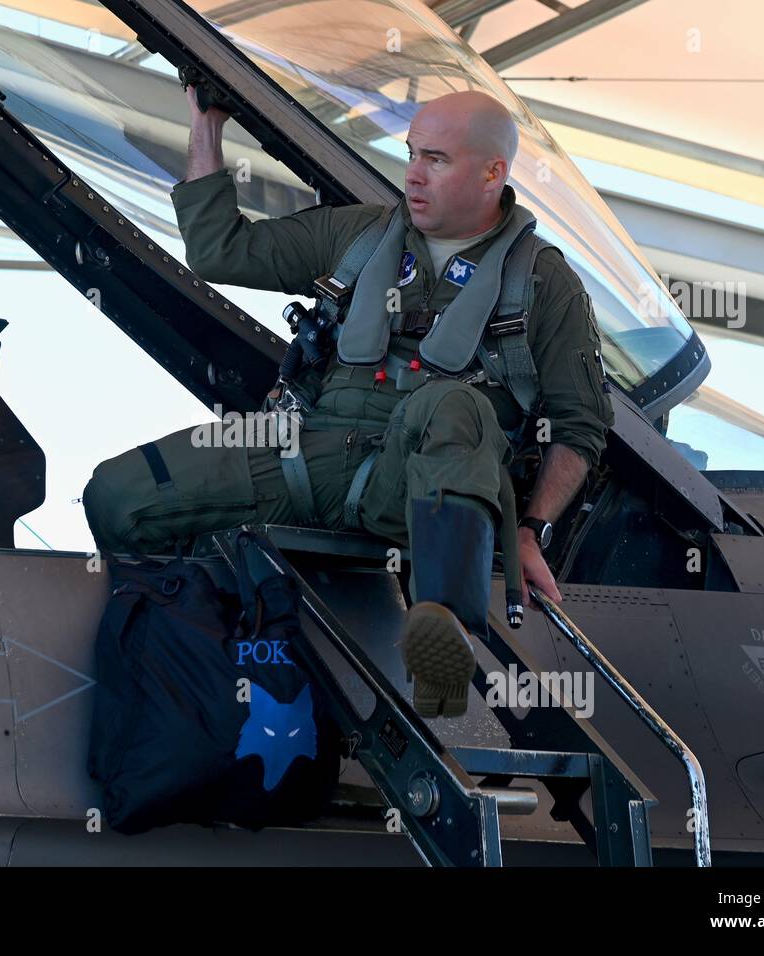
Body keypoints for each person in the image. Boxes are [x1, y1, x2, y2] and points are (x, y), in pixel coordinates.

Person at [83, 87, 613, 718]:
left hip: (417, 483)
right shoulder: (361, 236)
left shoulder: (544, 284)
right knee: (118, 497)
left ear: (493, 172)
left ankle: (440, 632)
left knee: (451, 405)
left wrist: (529, 529)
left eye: (437, 160)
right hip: (310, 452)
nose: (413, 175)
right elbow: (217, 251)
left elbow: (579, 428)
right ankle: (187, 670)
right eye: (412, 153)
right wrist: (207, 128)